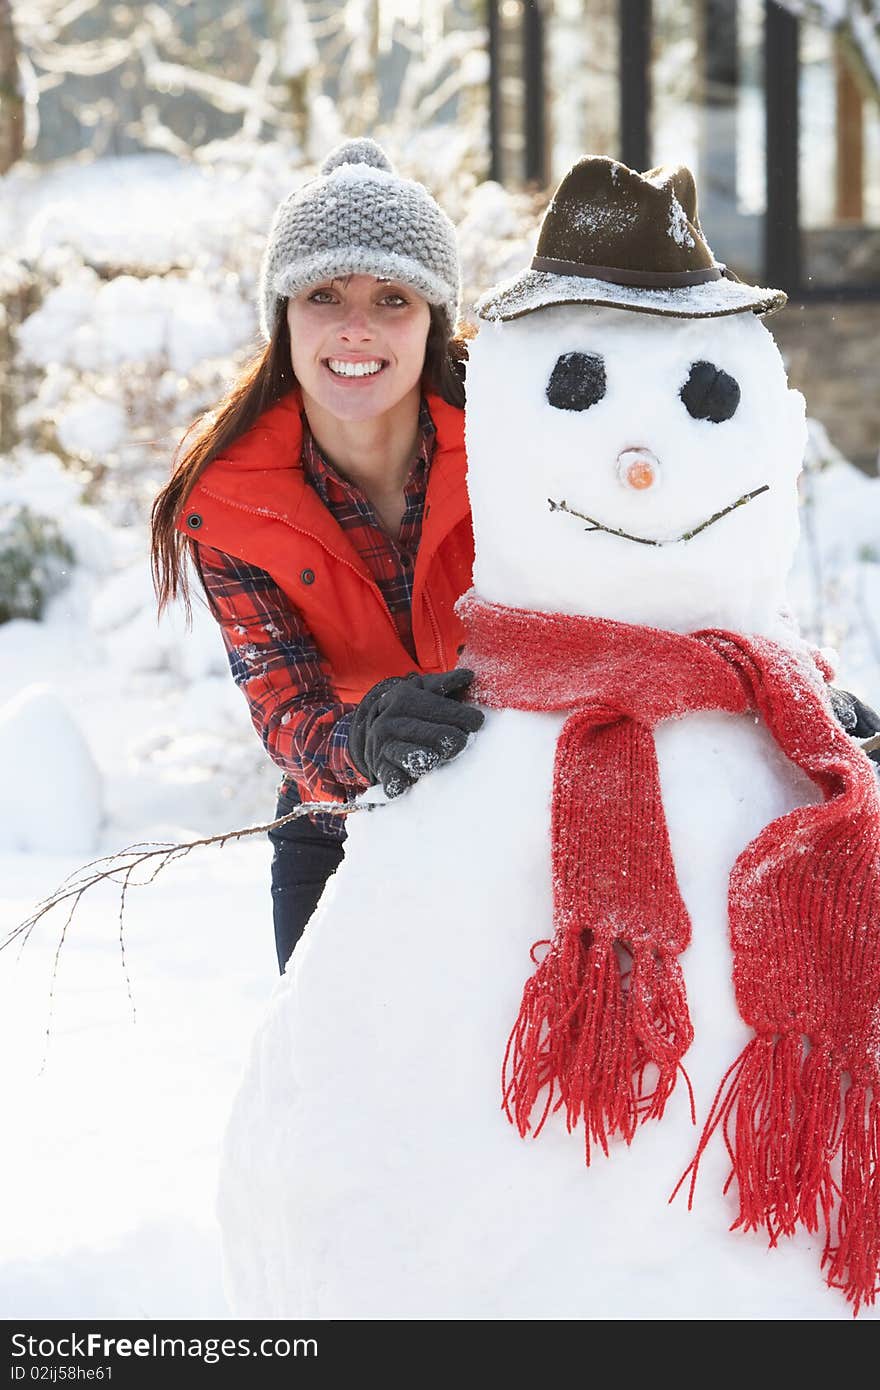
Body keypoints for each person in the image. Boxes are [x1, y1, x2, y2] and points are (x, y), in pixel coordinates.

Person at [151, 137, 483, 972]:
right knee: (341, 1098)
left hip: (519, 827)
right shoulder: (228, 499)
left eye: (394, 298)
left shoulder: (524, 442)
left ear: (435, 318)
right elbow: (287, 711)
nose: (356, 328)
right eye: (325, 293)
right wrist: (361, 745)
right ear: (284, 317)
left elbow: (629, 602)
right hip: (343, 832)